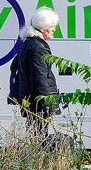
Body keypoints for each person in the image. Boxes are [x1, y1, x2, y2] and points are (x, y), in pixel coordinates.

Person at [12, 8, 61, 139]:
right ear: (44, 29)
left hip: (30, 102)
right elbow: (39, 78)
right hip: (37, 104)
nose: (54, 30)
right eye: (52, 27)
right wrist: (47, 105)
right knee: (39, 137)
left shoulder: (29, 43)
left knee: (35, 135)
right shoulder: (37, 48)